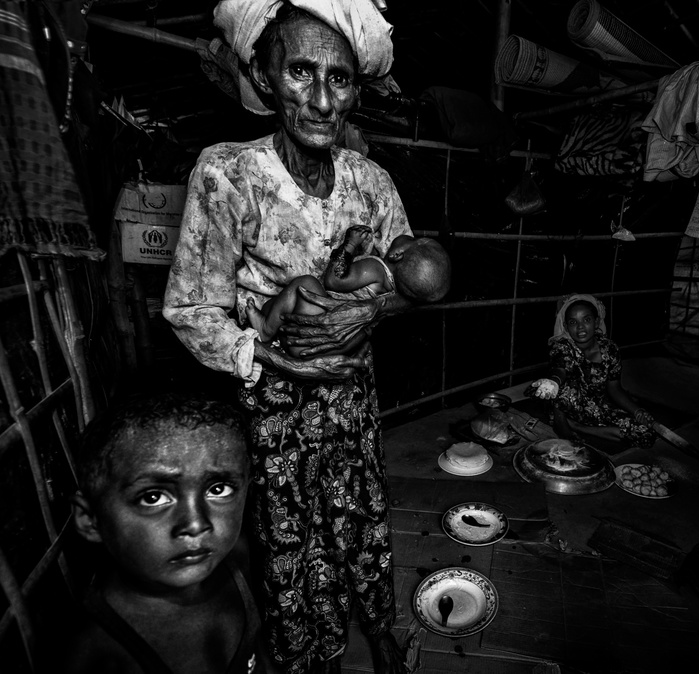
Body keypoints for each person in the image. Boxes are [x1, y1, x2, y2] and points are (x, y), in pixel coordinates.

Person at [162, 2, 417, 672]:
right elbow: (192, 307)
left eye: (341, 78)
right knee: (292, 542)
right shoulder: (229, 174)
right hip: (275, 408)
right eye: (302, 71)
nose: (324, 99)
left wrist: (373, 312)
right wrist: (261, 353)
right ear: (265, 74)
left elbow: (412, 278)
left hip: (353, 397)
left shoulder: (373, 183)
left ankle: (381, 629)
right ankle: (316, 655)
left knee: (363, 513)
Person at [61, 393, 260, 674]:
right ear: (90, 519)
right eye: (153, 497)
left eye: (218, 489)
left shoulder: (239, 564)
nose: (195, 524)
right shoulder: (96, 652)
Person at [246, 225, 450, 348]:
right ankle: (269, 320)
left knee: (305, 284)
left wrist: (350, 245)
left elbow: (334, 280)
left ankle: (266, 329)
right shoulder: (392, 289)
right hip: (341, 345)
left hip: (311, 328)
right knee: (276, 304)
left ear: (397, 255)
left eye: (414, 240)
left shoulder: (375, 269)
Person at [526, 293, 655, 449]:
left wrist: (637, 411)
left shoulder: (610, 349)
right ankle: (562, 425)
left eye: (586, 320)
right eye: (573, 322)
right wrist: (553, 382)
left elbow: (614, 389)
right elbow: (559, 371)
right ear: (566, 327)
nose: (580, 327)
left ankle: (578, 427)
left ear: (596, 322)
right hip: (566, 407)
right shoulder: (562, 347)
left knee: (645, 433)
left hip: (596, 408)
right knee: (567, 383)